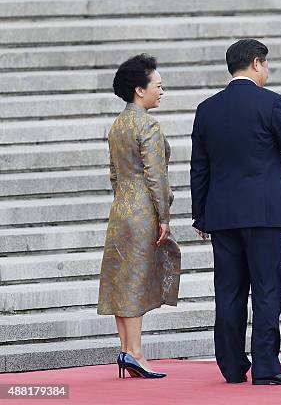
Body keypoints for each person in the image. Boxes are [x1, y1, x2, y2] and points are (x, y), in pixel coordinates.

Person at [190, 39, 281, 385]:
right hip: (264, 214)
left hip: (222, 215)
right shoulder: (270, 102)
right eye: (266, 65)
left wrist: (200, 214)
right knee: (266, 291)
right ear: (255, 63)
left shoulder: (207, 108)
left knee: (229, 291)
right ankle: (265, 366)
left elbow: (199, 167)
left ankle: (232, 366)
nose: (267, 72)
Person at [97, 53, 181, 379]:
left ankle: (127, 350)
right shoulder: (148, 125)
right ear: (139, 90)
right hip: (144, 211)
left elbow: (114, 176)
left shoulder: (118, 125)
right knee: (135, 283)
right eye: (157, 86)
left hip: (120, 210)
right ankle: (135, 353)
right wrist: (164, 217)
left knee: (122, 281)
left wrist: (124, 203)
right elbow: (156, 177)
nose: (161, 91)